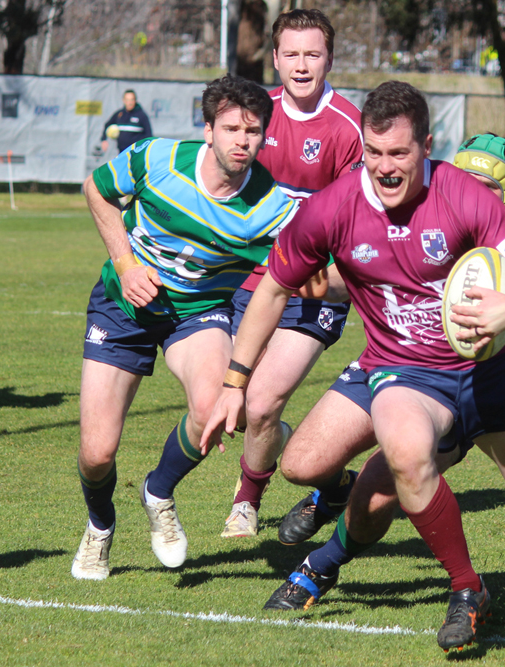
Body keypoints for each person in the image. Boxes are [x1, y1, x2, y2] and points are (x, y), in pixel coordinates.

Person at [203, 84, 505, 651]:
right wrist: (235, 381)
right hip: (402, 370)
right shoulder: (331, 207)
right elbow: (273, 288)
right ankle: (467, 588)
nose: (385, 167)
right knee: (399, 459)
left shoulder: (462, 195)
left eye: (399, 154)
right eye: (374, 153)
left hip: (484, 374)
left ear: (426, 147)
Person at [254, 134, 505, 621]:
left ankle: (321, 567)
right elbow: (363, 268)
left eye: (485, 183)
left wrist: (494, 332)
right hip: (388, 361)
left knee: (382, 487)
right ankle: (331, 491)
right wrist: (321, 281)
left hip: (460, 383)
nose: (471, 188)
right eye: (465, 176)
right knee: (301, 464)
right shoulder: (429, 209)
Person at [71, 75, 297, 582]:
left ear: (265, 136)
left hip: (197, 313)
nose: (242, 141)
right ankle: (100, 525)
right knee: (97, 452)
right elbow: (97, 190)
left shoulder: (272, 207)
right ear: (208, 129)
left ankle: (158, 491)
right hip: (122, 306)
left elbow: (316, 267)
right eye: (231, 129)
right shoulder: (157, 159)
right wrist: (126, 265)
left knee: (214, 406)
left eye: (253, 131)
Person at [220, 8, 364, 540]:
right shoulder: (255, 116)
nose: (302, 65)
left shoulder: (349, 127)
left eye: (313, 54)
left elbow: (358, 217)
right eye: (292, 54)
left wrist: (327, 271)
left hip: (313, 289)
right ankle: (333, 480)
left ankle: (246, 501)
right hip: (250, 281)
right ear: (275, 59)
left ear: (329, 59)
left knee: (260, 402)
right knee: (233, 405)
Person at [100, 90, 153, 154]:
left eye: (131, 100)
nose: (129, 103)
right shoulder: (119, 114)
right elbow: (107, 125)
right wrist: (104, 140)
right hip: (122, 153)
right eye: (127, 100)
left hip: (136, 154)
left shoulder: (141, 115)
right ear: (124, 100)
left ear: (135, 101)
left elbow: (149, 135)